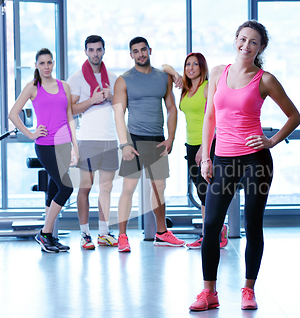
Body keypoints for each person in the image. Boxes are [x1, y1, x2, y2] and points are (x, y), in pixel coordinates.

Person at [189, 21, 300, 311]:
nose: (246, 45)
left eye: (253, 42)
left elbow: (294, 116)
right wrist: (207, 156)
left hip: (255, 161)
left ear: (261, 47)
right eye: (243, 39)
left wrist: (271, 141)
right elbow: (210, 117)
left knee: (253, 225)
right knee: (211, 224)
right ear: (235, 40)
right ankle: (209, 293)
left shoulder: (265, 80)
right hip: (223, 159)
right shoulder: (217, 73)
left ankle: (248, 289)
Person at [113, 36, 186, 252]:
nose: (140, 54)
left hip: (157, 140)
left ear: (149, 50)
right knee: (129, 188)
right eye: (135, 51)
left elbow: (171, 108)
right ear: (131, 55)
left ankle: (162, 233)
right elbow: (119, 114)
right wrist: (124, 144)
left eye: (143, 50)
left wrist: (171, 138)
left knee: (159, 188)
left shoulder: (163, 77)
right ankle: (122, 236)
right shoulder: (123, 80)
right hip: (134, 140)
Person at [8, 48, 79, 253]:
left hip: (64, 144)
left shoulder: (63, 86)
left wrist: (75, 147)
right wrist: (30, 134)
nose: (46, 67)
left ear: (53, 63)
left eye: (49, 63)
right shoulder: (33, 87)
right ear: (36, 65)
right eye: (42, 63)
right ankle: (45, 233)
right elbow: (13, 114)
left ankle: (50, 238)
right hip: (46, 145)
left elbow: (69, 118)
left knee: (54, 189)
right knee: (66, 188)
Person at [162, 54, 228, 249]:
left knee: (207, 190)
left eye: (195, 64)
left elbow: (217, 120)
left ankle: (210, 234)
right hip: (190, 146)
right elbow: (164, 65)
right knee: (201, 192)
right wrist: (175, 74)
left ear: (202, 67)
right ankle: (216, 231)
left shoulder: (208, 87)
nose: (191, 67)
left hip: (208, 145)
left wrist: (204, 148)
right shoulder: (186, 88)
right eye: (187, 64)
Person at [67, 35, 119, 250]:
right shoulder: (76, 78)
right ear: (86, 51)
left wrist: (112, 96)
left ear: (104, 50)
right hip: (87, 139)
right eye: (91, 50)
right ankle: (85, 234)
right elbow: (70, 110)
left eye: (99, 49)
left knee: (106, 188)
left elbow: (121, 108)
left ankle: (104, 233)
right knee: (85, 189)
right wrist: (92, 100)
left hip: (109, 139)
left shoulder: (114, 78)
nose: (95, 53)